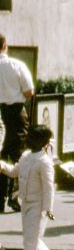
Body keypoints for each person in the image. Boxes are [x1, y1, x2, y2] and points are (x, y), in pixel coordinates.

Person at [0, 125, 58, 250]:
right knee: (30, 238)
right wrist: (3, 166)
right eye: (28, 137)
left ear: (41, 142)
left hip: (38, 206)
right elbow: (14, 172)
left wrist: (48, 209)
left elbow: (48, 188)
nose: (28, 140)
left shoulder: (44, 162)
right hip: (25, 204)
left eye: (31, 137)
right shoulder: (26, 156)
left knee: (30, 240)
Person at [0, 33, 34, 213]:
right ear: (5, 45)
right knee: (17, 154)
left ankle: (0, 197)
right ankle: (14, 197)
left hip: (0, 111)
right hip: (15, 111)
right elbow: (29, 91)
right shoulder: (16, 65)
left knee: (1, 154)